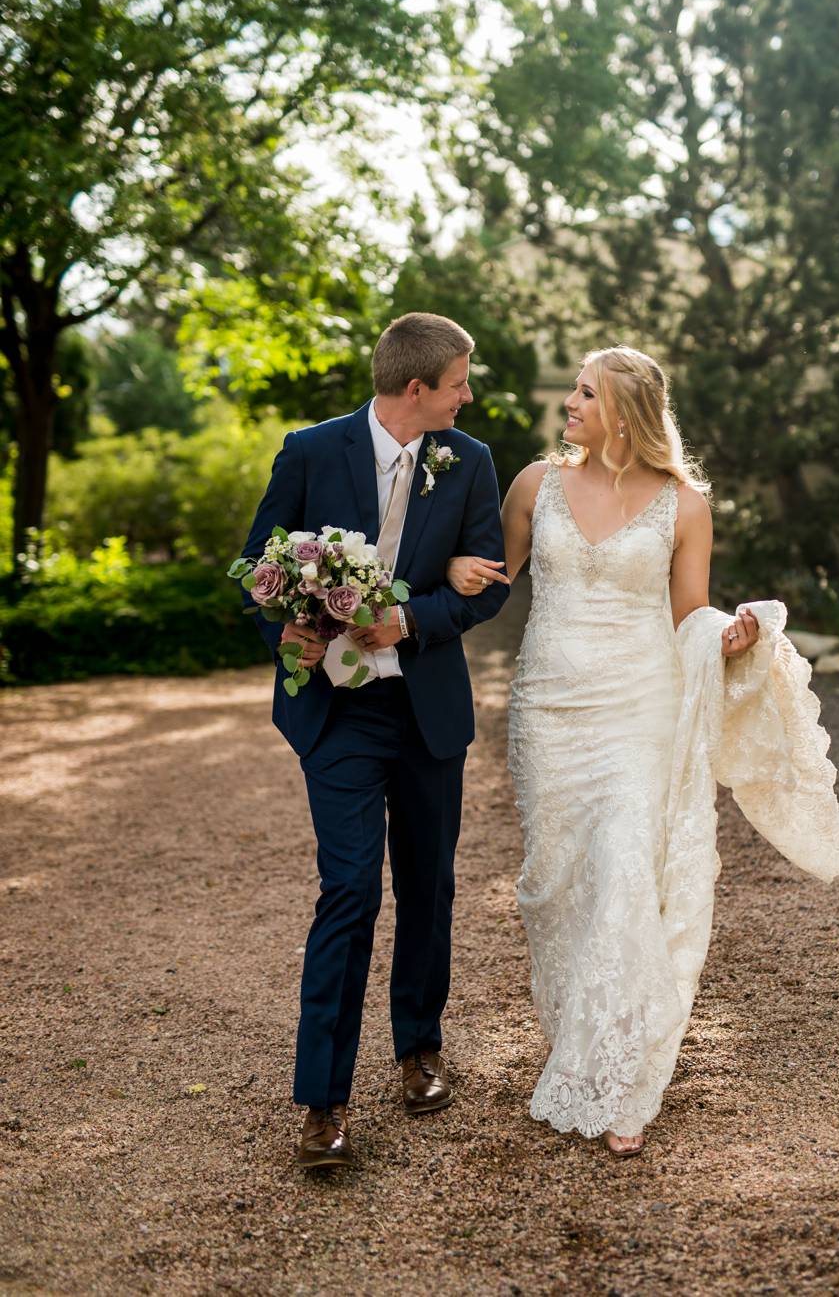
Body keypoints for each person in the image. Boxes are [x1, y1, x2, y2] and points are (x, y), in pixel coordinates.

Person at [445, 345, 839, 1157]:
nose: (570, 402)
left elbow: (688, 615)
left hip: (640, 710)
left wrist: (728, 639)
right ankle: (579, 1035)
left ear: (625, 410)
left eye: (585, 393)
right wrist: (456, 567)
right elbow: (493, 580)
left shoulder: (684, 504)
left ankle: (622, 1079)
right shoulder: (535, 484)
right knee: (559, 885)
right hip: (549, 711)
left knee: (628, 867)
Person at [238, 312, 512, 1170]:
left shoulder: (467, 463)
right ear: (417, 388)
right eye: (461, 382)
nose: (471, 396)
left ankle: (419, 1048)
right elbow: (258, 570)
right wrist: (286, 635)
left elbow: (486, 586)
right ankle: (323, 1102)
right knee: (350, 891)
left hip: (426, 709)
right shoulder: (310, 451)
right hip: (338, 714)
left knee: (429, 886)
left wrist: (412, 619)